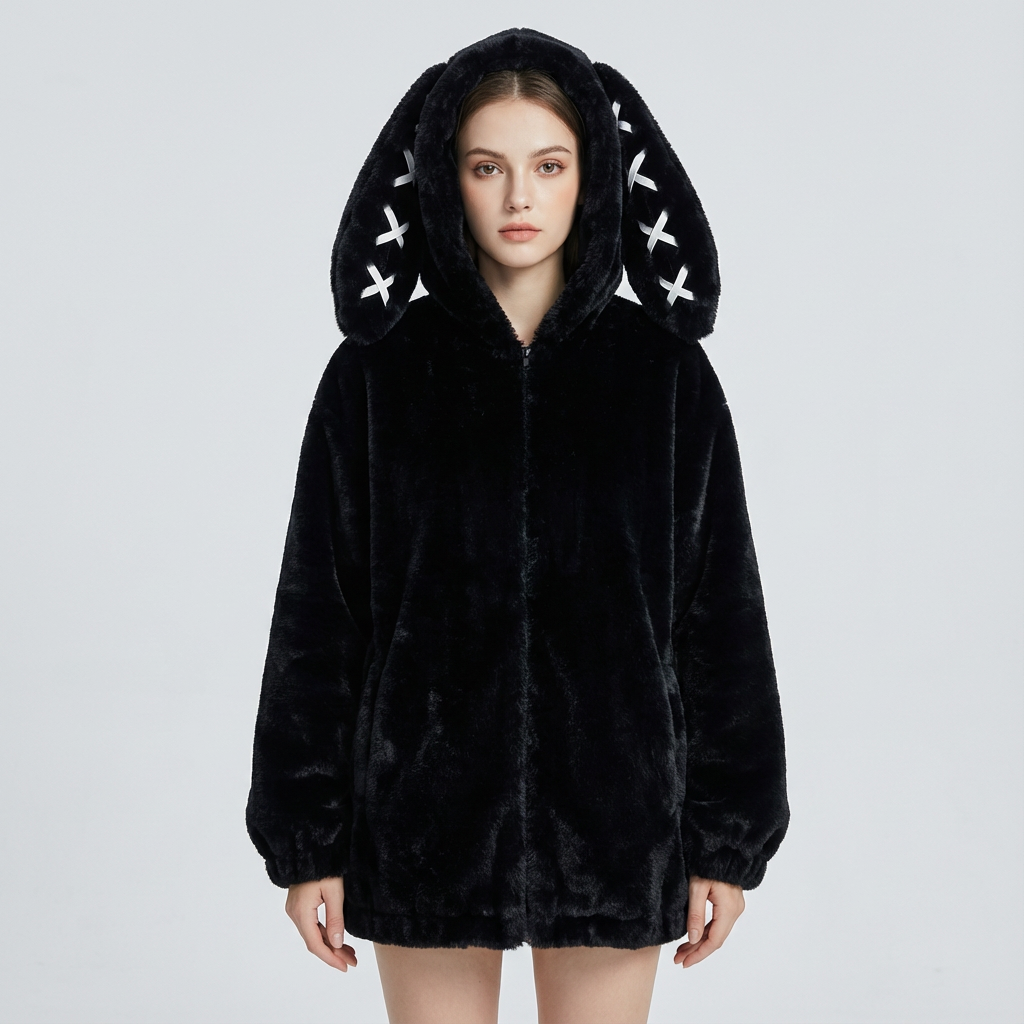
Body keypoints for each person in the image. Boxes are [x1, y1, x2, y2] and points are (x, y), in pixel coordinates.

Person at [245, 26, 790, 1024]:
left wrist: (726, 838)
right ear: (443, 180)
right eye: (486, 167)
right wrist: (306, 840)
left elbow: (720, 613)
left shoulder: (664, 376)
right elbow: (318, 615)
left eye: (549, 165)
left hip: (618, 822)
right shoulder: (376, 375)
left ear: (594, 177)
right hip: (424, 821)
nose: (518, 199)